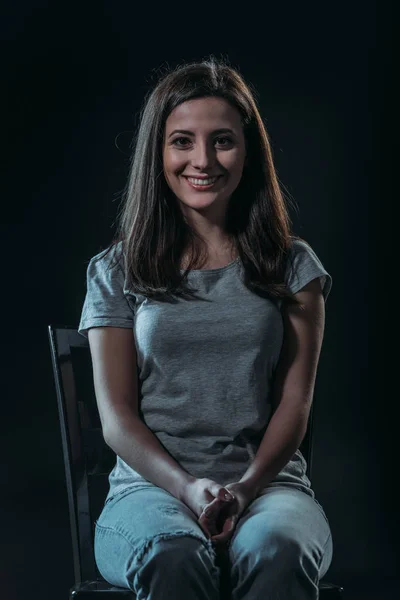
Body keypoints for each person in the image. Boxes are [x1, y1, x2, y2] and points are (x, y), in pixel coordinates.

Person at [78, 55, 333, 599]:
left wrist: (244, 489)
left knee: (277, 549)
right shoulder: (115, 270)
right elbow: (116, 419)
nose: (203, 160)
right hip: (147, 492)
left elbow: (296, 403)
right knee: (170, 555)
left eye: (222, 140)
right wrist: (189, 488)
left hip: (270, 487)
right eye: (182, 141)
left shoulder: (293, 266)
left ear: (248, 152)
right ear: (159, 152)